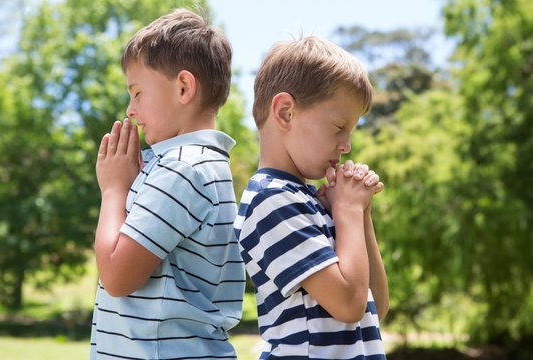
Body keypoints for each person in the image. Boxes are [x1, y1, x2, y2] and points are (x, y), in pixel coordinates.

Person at [89, 8, 245, 359]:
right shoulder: (200, 164)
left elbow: (116, 276)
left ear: (184, 87)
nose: (130, 109)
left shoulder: (182, 168)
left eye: (138, 92)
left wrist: (114, 189)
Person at [234, 36, 389, 359]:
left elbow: (374, 304)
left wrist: (361, 214)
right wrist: (346, 208)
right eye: (338, 126)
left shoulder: (308, 200)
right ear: (286, 113)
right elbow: (348, 304)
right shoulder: (271, 200)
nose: (346, 144)